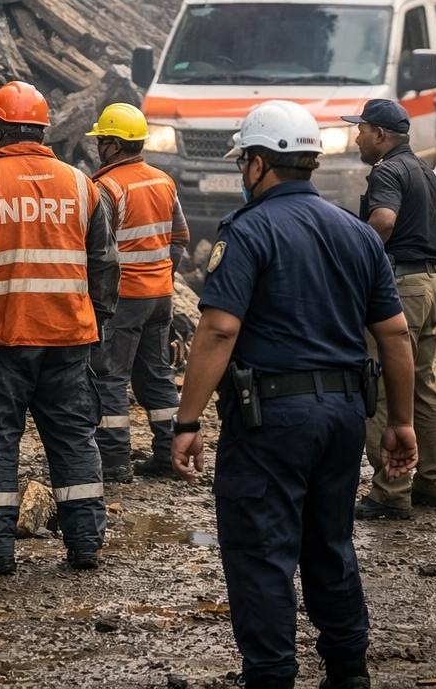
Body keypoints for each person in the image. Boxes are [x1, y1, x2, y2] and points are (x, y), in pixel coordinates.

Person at [170, 100, 419, 689]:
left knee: (260, 550)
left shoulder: (248, 231)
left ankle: (272, 674)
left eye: (243, 162)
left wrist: (187, 421)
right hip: (343, 416)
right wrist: (401, 422)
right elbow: (394, 334)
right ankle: (349, 671)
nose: (242, 173)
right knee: (330, 543)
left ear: (259, 163)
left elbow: (219, 329)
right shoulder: (357, 234)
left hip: (271, 421)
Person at [0, 81, 119, 574]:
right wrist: (98, 317)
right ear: (41, 131)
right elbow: (105, 261)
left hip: (1, 339)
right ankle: (85, 543)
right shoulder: (81, 184)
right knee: (74, 438)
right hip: (68, 339)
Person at [342, 98, 436, 519]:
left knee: (383, 385)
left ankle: (391, 491)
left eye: (361, 129)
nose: (357, 138)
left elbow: (384, 221)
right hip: (429, 283)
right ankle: (433, 483)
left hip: (400, 286)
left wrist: (356, 258)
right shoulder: (426, 172)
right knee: (421, 385)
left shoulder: (387, 171)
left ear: (380, 134)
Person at [83, 102, 189, 481]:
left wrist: (96, 298)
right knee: (156, 375)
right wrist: (161, 275)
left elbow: (97, 252)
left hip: (123, 299)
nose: (99, 146)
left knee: (109, 376)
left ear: (114, 144)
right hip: (159, 298)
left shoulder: (106, 187)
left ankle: (114, 460)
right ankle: (170, 455)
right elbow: (180, 238)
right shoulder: (163, 181)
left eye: (102, 140)